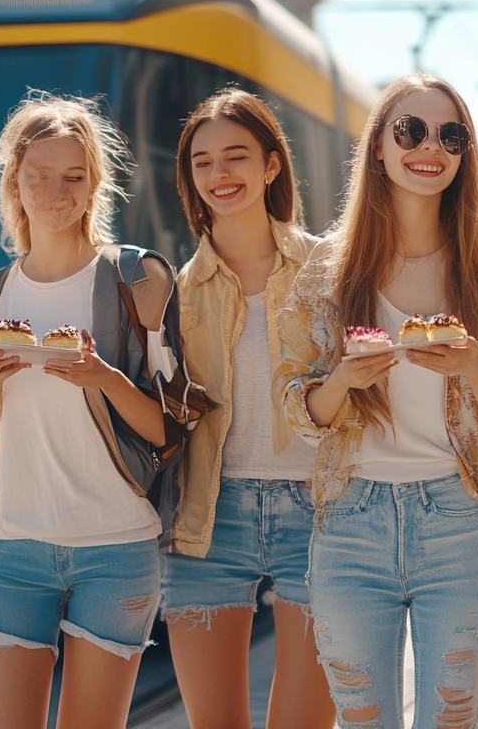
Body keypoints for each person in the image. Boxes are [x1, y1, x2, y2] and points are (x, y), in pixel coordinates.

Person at [275, 72, 478, 729]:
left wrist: (476, 369)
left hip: (460, 521)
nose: (432, 147)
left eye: (451, 135)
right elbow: (295, 405)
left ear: (465, 154)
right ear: (378, 147)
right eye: (412, 130)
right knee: (364, 721)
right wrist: (344, 380)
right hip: (350, 525)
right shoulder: (327, 270)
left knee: (450, 721)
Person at [0, 93, 173, 729]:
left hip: (119, 547)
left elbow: (167, 430)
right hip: (12, 548)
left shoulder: (139, 280)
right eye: (38, 176)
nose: (55, 192)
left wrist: (103, 377)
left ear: (95, 183)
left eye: (73, 176)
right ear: (13, 184)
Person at [161, 88, 335, 727]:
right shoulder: (173, 290)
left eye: (235, 157)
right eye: (202, 162)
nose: (218, 175)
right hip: (209, 519)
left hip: (319, 515)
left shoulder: (329, 268)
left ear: (270, 165)